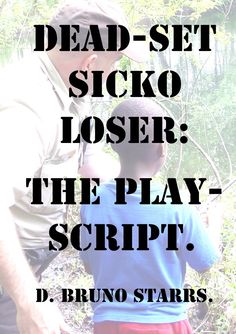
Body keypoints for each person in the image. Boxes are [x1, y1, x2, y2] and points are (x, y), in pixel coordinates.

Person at [0, 1, 146, 333]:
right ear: (90, 61)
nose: (115, 72)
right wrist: (28, 300)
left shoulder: (75, 87)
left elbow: (89, 160)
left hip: (29, 261)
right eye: (116, 62)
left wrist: (148, 195)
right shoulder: (27, 109)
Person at [80, 98, 221, 334]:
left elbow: (89, 266)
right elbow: (206, 263)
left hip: (109, 325)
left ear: (114, 145)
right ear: (161, 148)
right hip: (166, 325)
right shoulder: (178, 208)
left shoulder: (93, 202)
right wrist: (212, 225)